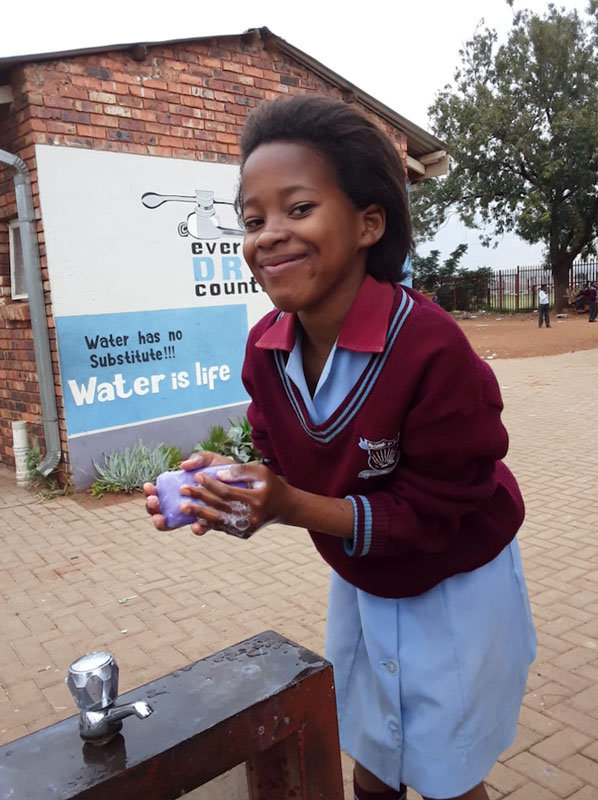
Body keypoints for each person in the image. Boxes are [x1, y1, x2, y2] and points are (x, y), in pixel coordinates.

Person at [144, 95, 536, 800]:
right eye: (253, 220)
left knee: (447, 777)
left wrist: (289, 505)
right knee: (375, 760)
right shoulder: (265, 351)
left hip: (452, 583)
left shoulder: (430, 347)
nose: (269, 236)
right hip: (364, 580)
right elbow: (280, 460)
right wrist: (235, 484)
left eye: (298, 209)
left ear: (367, 223)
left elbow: (434, 510)